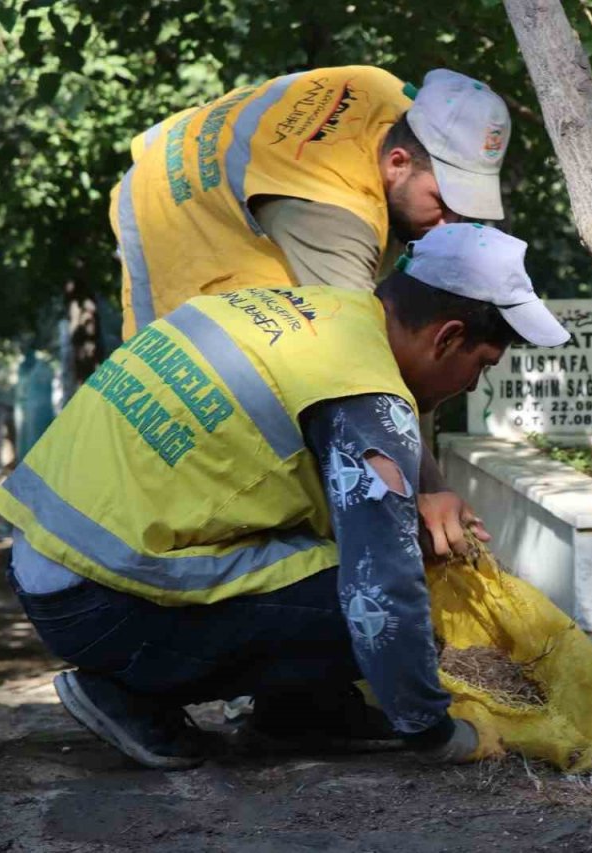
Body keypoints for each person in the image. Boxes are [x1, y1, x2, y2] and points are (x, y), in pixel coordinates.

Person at [0, 224, 570, 770]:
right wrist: (434, 731)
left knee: (352, 552)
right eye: (482, 366)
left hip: (47, 558)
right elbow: (383, 589)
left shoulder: (316, 313)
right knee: (388, 595)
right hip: (99, 601)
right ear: (448, 338)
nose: (473, 385)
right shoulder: (367, 395)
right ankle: (129, 691)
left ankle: (302, 713)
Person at [112, 65, 514, 556]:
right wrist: (427, 490)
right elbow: (363, 368)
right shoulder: (331, 212)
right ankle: (164, 556)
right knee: (213, 387)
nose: (451, 223)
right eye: (443, 202)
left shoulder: (392, 97)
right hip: (172, 204)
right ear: (398, 163)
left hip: (226, 163)